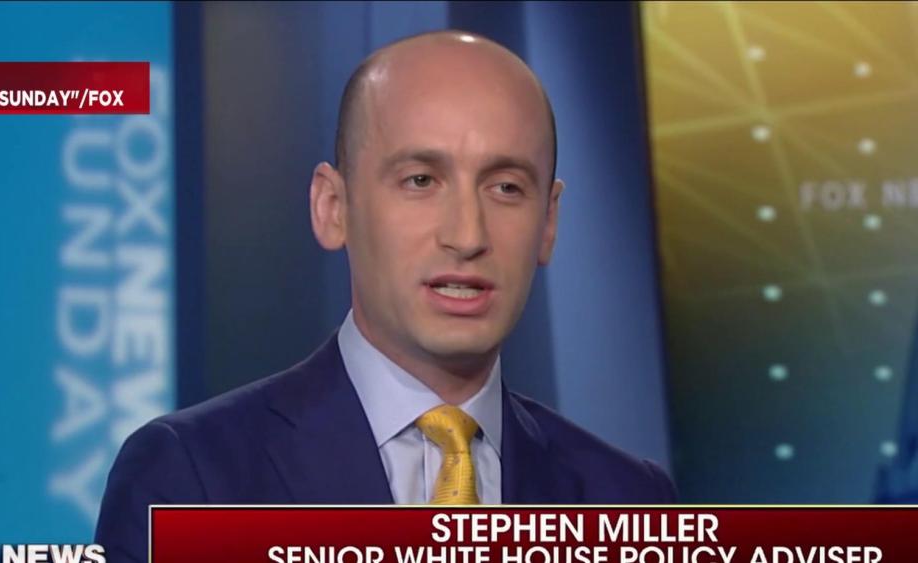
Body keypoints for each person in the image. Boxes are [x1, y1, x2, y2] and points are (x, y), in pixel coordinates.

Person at [96, 30, 676, 562]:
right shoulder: (190, 477)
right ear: (333, 207)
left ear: (548, 222)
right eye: (421, 180)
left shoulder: (630, 500)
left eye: (506, 187)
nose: (467, 235)